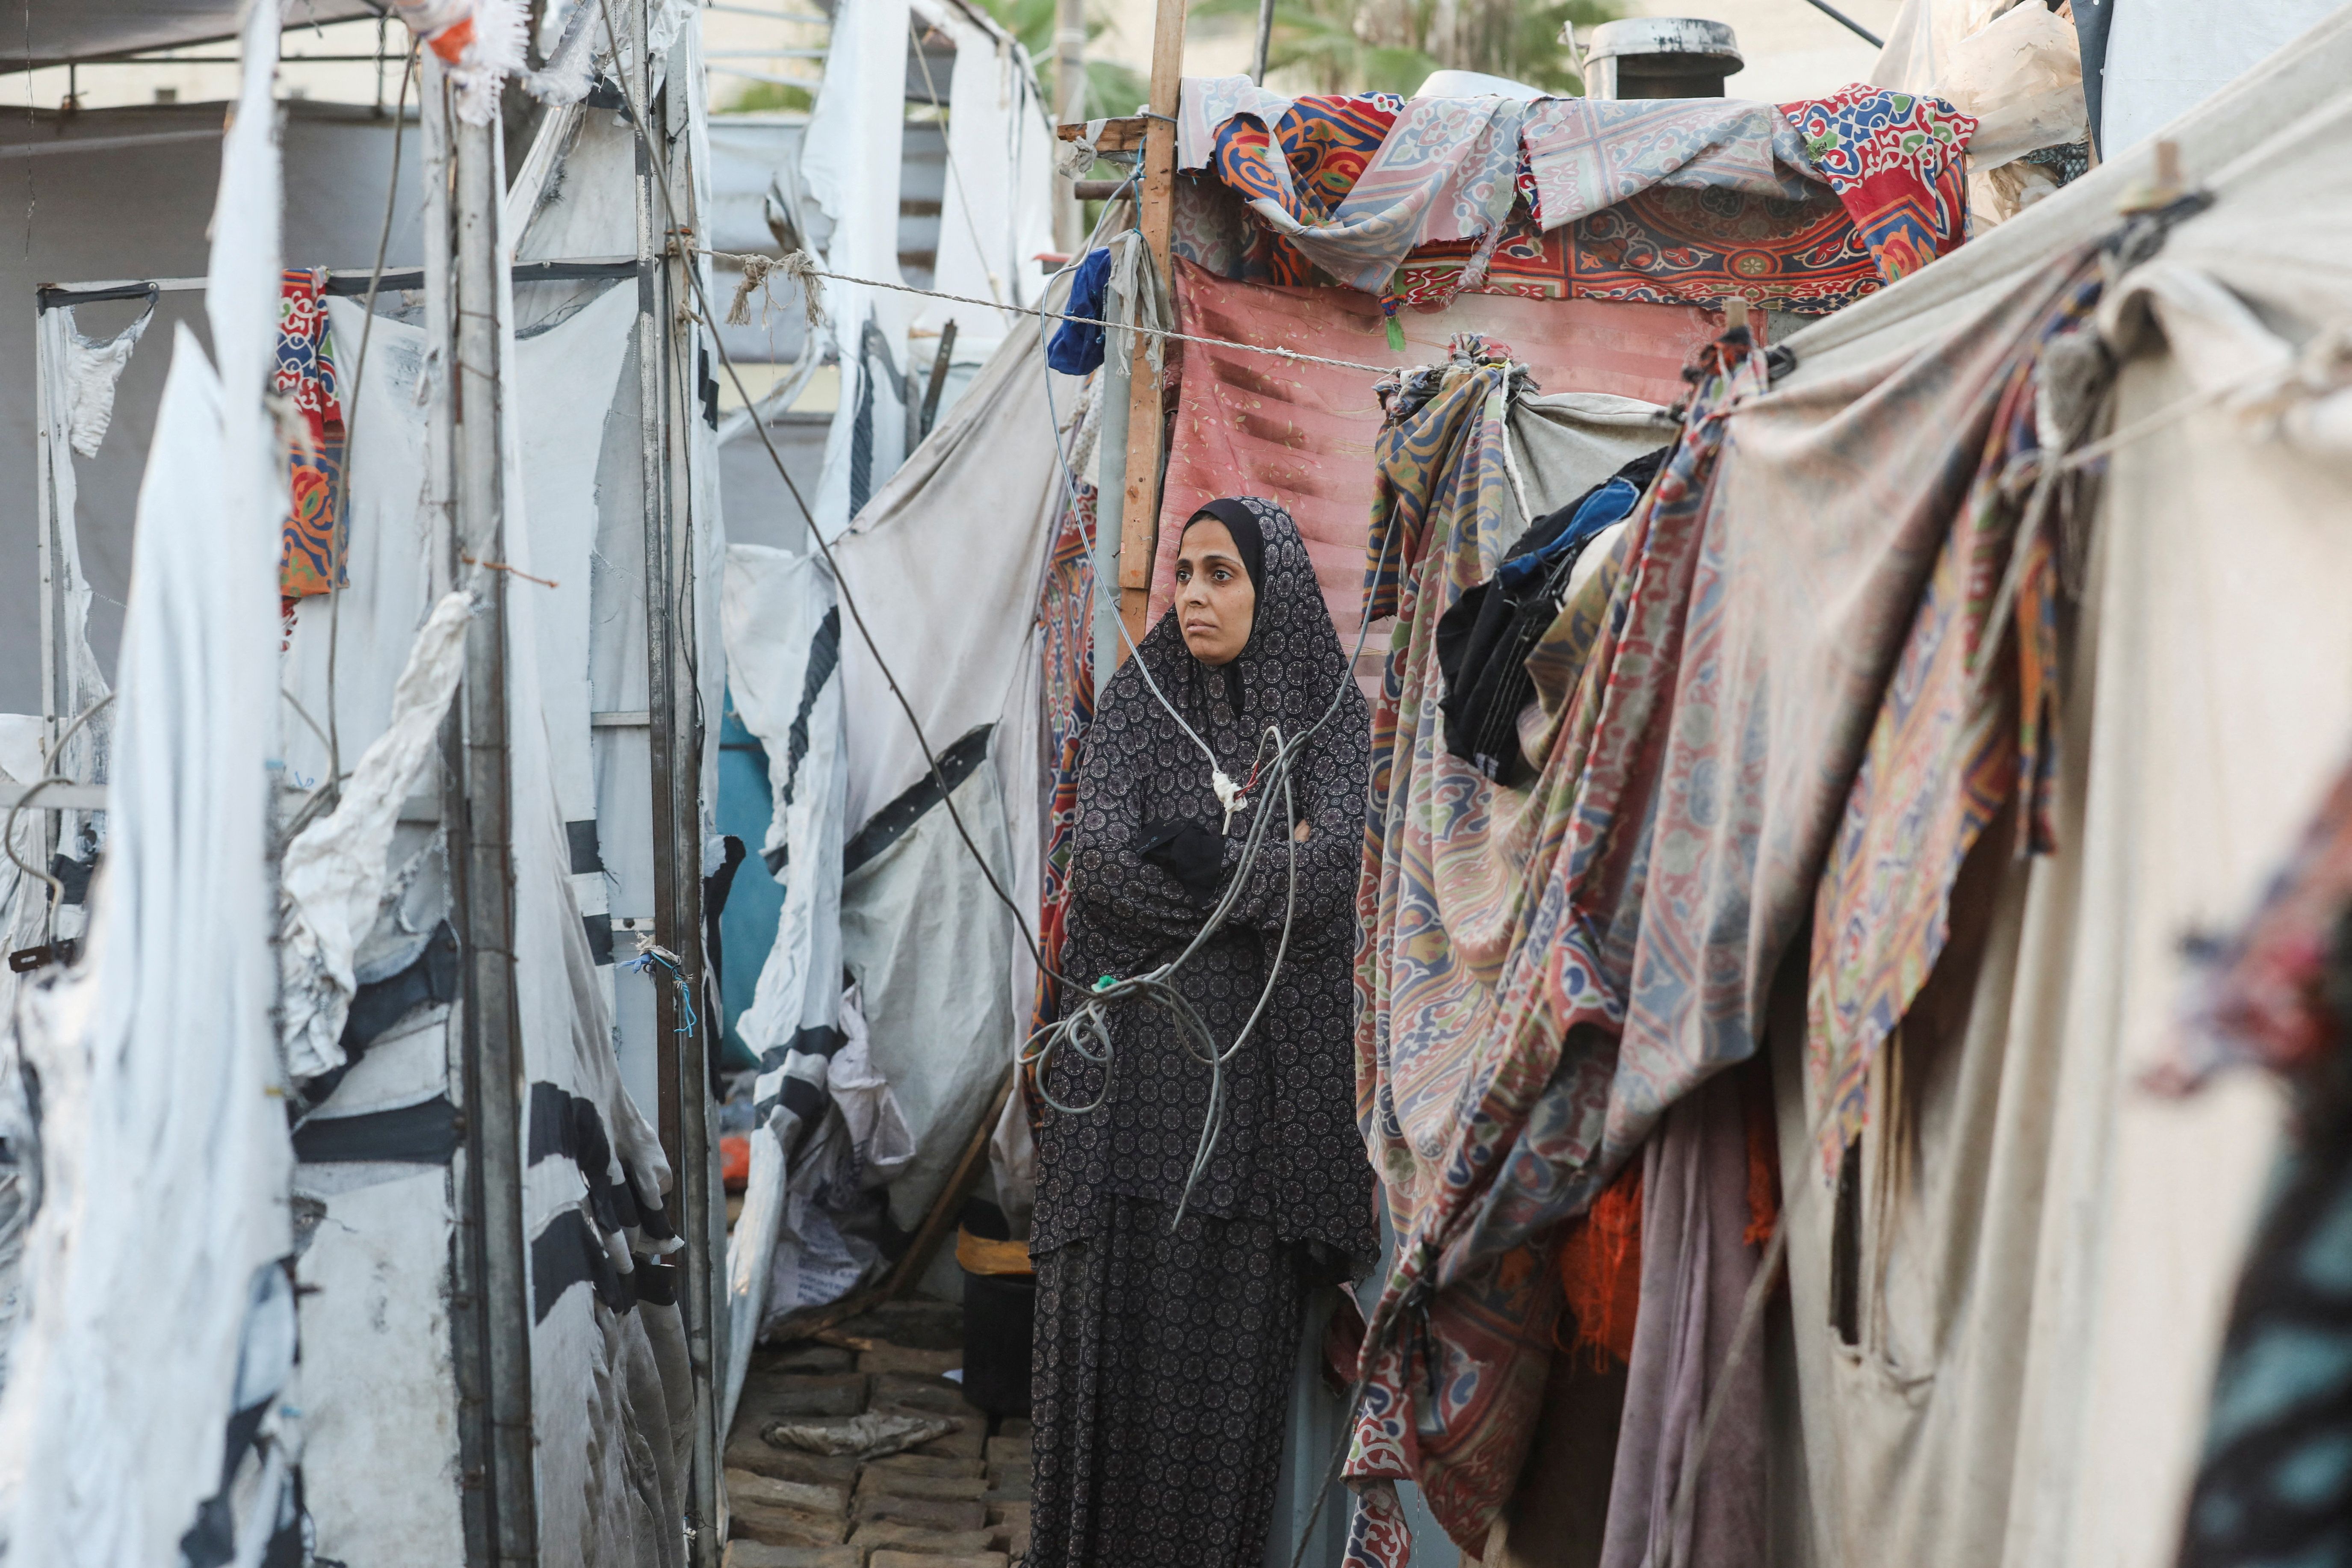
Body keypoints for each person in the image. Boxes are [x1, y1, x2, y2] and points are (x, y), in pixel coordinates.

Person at [1028, 497, 1377, 1568]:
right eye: (1183, 573)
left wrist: (1219, 865)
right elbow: (1101, 874)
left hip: (1249, 1149)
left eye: (1220, 574)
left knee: (1221, 1406)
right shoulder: (1141, 704)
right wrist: (1268, 878)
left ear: (1269, 589)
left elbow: (1336, 880)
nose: (1191, 595)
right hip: (1123, 1133)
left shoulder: (1323, 722)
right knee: (1106, 1385)